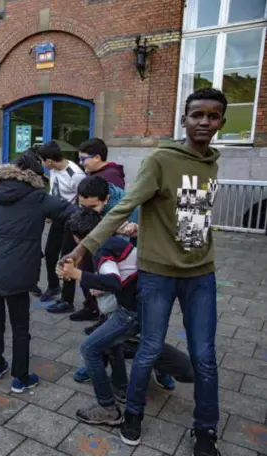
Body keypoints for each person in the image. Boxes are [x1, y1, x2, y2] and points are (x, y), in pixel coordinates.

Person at [61, 88, 226, 455]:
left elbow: (194, 220)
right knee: (149, 347)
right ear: (184, 119)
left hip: (201, 274)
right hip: (157, 274)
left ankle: (205, 430)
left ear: (221, 123)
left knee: (205, 355)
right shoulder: (160, 160)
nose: (204, 122)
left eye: (213, 116)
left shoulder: (212, 162)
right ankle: (132, 414)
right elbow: (125, 208)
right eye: (197, 114)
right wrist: (81, 247)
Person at [0, 152, 75, 393]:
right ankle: (20, 378)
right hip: (20, 273)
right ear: (35, 174)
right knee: (20, 327)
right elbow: (71, 213)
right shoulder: (38, 196)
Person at [57, 209, 138, 425]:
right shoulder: (113, 242)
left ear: (77, 239)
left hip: (131, 311)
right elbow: (123, 275)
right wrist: (96, 285)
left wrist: (77, 275)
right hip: (139, 305)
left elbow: (113, 281)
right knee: (111, 342)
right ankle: (121, 387)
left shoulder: (102, 250)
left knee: (89, 348)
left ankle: (108, 408)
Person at [71, 176, 140, 329]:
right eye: (83, 206)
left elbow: (120, 253)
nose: (87, 212)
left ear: (106, 199)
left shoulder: (126, 209)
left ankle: (113, 324)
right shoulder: (95, 194)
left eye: (93, 207)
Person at [37, 141, 86, 313]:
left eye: (42, 160)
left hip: (72, 219)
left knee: (67, 257)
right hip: (58, 216)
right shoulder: (53, 169)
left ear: (49, 160)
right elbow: (54, 191)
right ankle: (53, 286)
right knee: (50, 252)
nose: (42, 164)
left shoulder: (76, 175)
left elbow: (82, 202)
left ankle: (67, 299)